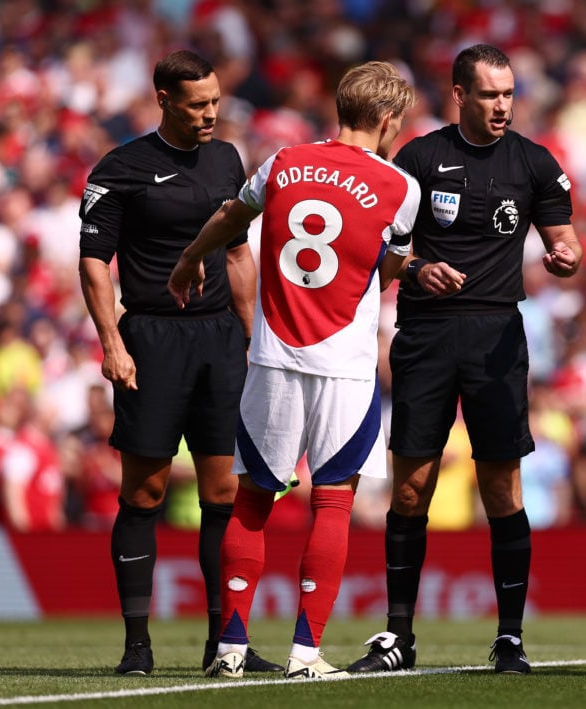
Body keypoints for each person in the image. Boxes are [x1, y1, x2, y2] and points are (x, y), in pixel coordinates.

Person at [167, 60, 420, 680]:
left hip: (273, 356)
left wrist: (187, 261)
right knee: (332, 504)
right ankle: (306, 653)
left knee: (252, 499)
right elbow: (387, 271)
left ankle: (229, 647)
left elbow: (232, 216)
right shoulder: (399, 186)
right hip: (345, 366)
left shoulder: (282, 163)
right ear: (388, 120)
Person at [345, 43, 582, 676]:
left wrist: (565, 256)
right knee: (412, 486)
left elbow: (567, 242)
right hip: (426, 337)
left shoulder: (534, 164)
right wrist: (419, 267)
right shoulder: (419, 159)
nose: (502, 105)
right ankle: (399, 636)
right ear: (460, 95)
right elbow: (383, 253)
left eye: (508, 93)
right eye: (489, 94)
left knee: (501, 487)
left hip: (497, 337)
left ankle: (510, 637)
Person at [78, 49, 280, 677]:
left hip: (220, 341)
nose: (210, 115)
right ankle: (137, 646)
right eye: (198, 105)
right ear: (163, 99)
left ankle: (226, 645)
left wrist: (254, 342)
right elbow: (92, 263)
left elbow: (240, 257)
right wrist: (112, 342)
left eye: (215, 102)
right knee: (146, 490)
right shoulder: (121, 167)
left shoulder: (226, 158)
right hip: (152, 340)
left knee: (224, 491)